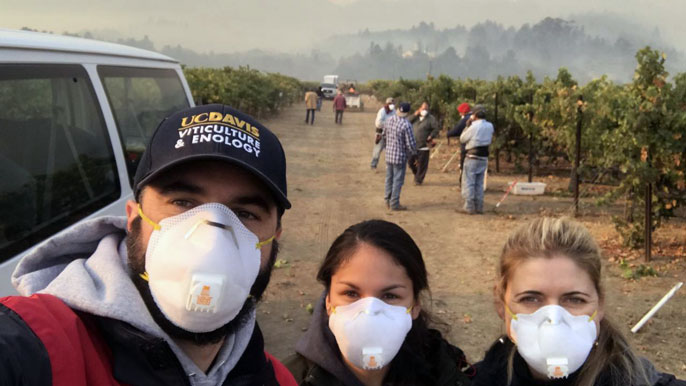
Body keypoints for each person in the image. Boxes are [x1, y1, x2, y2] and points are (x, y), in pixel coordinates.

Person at [0, 104, 297, 385]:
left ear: (275, 235)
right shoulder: (36, 346)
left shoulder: (277, 379)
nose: (211, 243)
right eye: (182, 203)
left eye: (245, 214)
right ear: (133, 218)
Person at [474, 217, 686, 386]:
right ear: (502, 304)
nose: (553, 319)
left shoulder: (637, 380)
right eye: (531, 298)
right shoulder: (472, 380)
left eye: (574, 299)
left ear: (599, 304)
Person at [285, 219, 474, 386]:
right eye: (351, 293)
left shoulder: (443, 371)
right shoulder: (285, 379)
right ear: (328, 301)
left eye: (390, 296)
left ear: (415, 306)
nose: (369, 313)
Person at [459, 107, 493, 214]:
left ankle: (469, 207)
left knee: (469, 181)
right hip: (484, 156)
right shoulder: (490, 126)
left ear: (475, 115)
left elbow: (463, 139)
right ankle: (479, 206)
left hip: (472, 156)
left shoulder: (473, 126)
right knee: (479, 182)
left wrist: (467, 126)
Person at [383, 102, 416, 211]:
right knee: (397, 180)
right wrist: (413, 154)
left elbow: (384, 135)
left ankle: (387, 200)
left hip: (389, 155)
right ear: (407, 112)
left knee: (389, 178)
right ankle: (394, 203)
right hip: (400, 157)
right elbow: (410, 144)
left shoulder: (389, 120)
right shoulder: (406, 125)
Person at [408, 102, 441, 185]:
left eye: (426, 109)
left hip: (424, 145)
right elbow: (407, 122)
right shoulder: (415, 117)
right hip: (413, 145)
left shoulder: (431, 119)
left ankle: (419, 180)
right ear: (419, 108)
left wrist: (431, 136)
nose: (424, 110)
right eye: (423, 109)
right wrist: (414, 115)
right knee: (410, 162)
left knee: (422, 164)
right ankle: (417, 174)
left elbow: (436, 129)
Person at [446, 103, 473, 185]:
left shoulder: (466, 119)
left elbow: (456, 130)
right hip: (478, 147)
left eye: (460, 111)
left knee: (464, 165)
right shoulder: (475, 118)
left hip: (467, 146)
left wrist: (448, 134)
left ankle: (463, 184)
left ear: (464, 111)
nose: (459, 113)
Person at [370, 97, 395, 171]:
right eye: (390, 103)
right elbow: (378, 123)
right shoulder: (382, 111)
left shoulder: (393, 112)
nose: (392, 105)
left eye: (393, 104)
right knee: (377, 150)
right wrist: (388, 124)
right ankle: (373, 165)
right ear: (387, 104)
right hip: (380, 133)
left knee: (389, 151)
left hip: (390, 134)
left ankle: (389, 166)